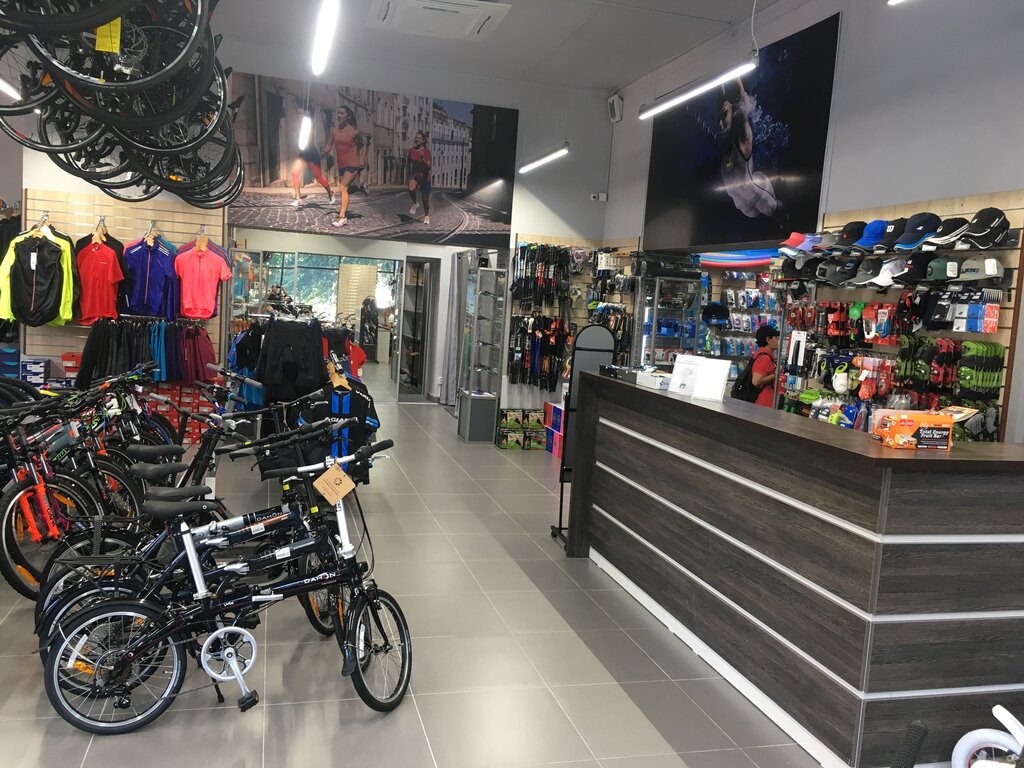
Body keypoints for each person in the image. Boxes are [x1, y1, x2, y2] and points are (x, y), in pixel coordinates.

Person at [718, 78, 784, 222]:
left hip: (752, 199)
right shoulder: (727, 135)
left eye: (726, 114)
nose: (721, 123)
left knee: (776, 207)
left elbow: (742, 109)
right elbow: (729, 110)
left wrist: (738, 80)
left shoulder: (743, 142)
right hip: (744, 204)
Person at [327, 106, 364, 228]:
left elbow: (363, 145)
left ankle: (342, 217)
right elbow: (329, 145)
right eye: (338, 113)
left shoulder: (353, 131)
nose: (339, 115)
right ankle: (359, 187)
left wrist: (362, 160)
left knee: (342, 188)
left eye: (342, 113)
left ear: (348, 116)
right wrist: (322, 154)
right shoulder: (334, 130)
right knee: (345, 189)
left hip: (352, 163)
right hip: (341, 164)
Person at [290, 121, 335, 207]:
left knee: (319, 178)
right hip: (303, 154)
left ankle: (330, 193)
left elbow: (307, 141)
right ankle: (298, 199)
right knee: (294, 173)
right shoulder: (298, 126)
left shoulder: (307, 126)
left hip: (311, 154)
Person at [406, 131, 433, 226]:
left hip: (425, 176)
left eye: (419, 138)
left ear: (423, 140)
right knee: (410, 189)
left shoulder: (426, 152)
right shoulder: (411, 150)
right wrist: (408, 175)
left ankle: (426, 215)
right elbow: (408, 162)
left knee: (425, 199)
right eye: (416, 137)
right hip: (415, 174)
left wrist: (423, 158)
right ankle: (415, 203)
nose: (417, 139)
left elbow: (429, 166)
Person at [750, 324, 780, 408]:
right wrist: (775, 375)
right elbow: (756, 381)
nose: (778, 340)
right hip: (763, 404)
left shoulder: (764, 356)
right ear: (768, 339)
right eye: (775, 338)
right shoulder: (764, 358)